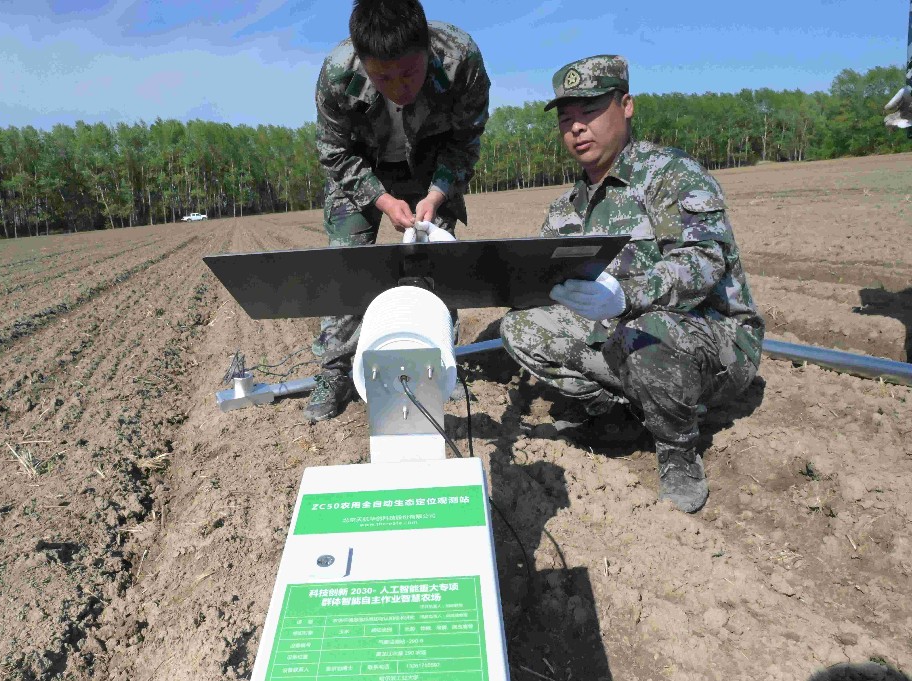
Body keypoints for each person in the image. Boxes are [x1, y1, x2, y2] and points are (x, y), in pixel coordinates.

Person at [500, 55, 764, 513]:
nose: (577, 128)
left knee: (650, 332)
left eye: (590, 113)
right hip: (624, 337)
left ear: (626, 106)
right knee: (522, 328)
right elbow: (546, 283)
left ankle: (678, 449)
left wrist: (627, 297)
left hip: (712, 340)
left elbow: (703, 263)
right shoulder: (566, 207)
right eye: (567, 119)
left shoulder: (671, 175)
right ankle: (618, 416)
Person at [304, 0, 490, 422]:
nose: (398, 87)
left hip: (431, 167)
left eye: (409, 73)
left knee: (435, 263)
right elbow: (333, 153)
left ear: (427, 49)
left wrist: (437, 195)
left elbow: (466, 141)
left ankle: (436, 368)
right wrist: (382, 200)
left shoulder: (461, 59)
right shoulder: (337, 73)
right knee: (345, 265)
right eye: (382, 77)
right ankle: (334, 370)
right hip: (361, 170)